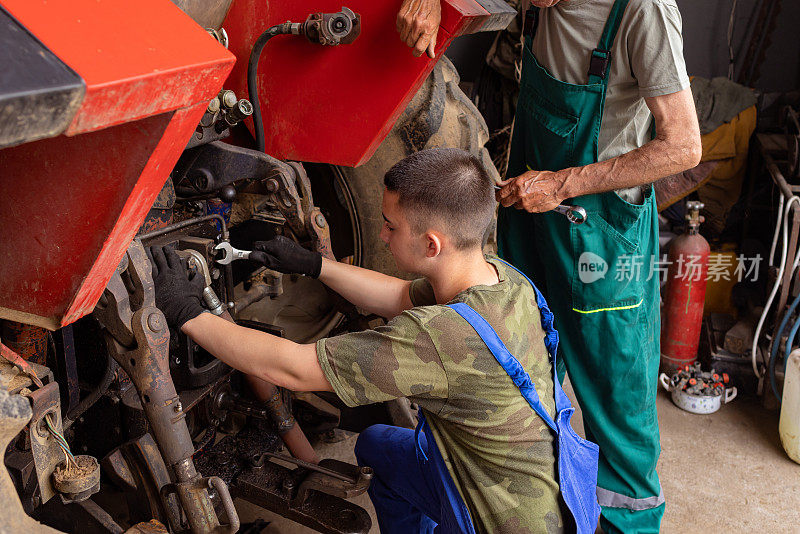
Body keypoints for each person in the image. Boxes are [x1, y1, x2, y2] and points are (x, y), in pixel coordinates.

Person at [149, 148, 599, 533]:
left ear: (431, 244)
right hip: (549, 487)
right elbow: (399, 295)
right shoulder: (502, 279)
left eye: (390, 226)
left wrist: (187, 314)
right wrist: (311, 264)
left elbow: (291, 368)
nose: (381, 234)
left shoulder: (437, 338)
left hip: (498, 520)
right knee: (378, 447)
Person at [400, 1, 702, 532]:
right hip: (532, 222)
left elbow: (684, 146)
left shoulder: (643, 12)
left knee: (617, 413)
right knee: (527, 376)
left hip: (602, 239)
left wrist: (563, 184)